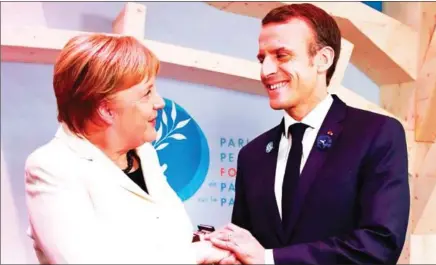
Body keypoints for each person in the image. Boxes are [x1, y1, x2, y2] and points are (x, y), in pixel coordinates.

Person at [206, 3, 410, 264]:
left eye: (281, 55)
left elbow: (380, 244)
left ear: (323, 59)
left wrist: (270, 259)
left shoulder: (377, 134)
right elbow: (246, 248)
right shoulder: (252, 155)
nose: (265, 71)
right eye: (262, 58)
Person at [24, 33, 234, 264]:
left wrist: (210, 246)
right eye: (147, 93)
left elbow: (168, 242)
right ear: (106, 110)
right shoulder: (51, 167)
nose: (159, 102)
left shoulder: (146, 155)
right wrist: (195, 255)